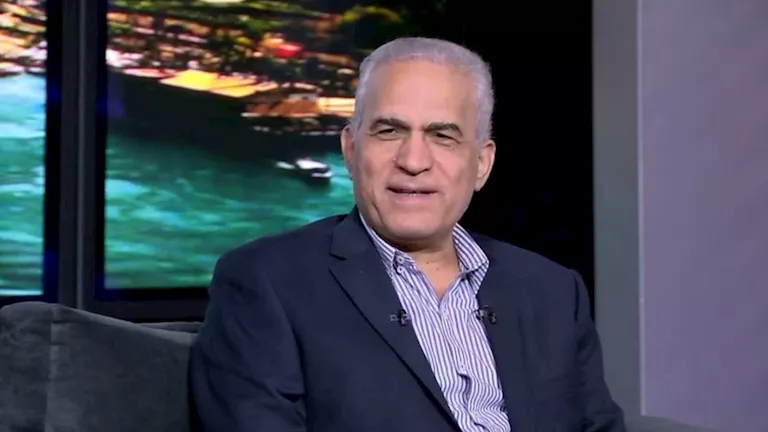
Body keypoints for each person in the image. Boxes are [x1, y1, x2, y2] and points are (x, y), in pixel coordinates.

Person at [189, 37, 626, 432]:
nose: (413, 160)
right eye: (389, 131)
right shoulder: (265, 282)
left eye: (443, 136)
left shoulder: (553, 291)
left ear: (481, 164)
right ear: (350, 150)